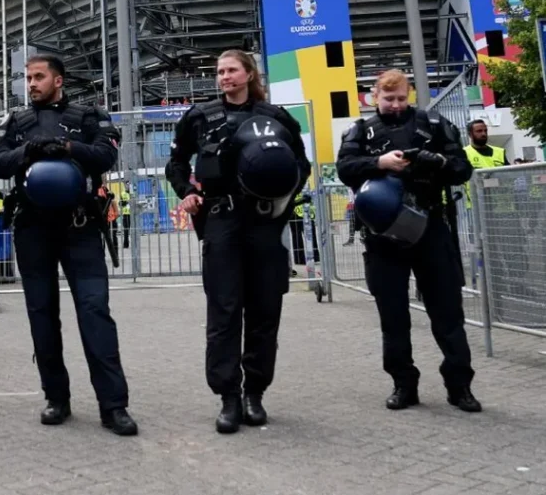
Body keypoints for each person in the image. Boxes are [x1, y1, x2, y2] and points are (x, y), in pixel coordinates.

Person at [0, 54, 138, 437]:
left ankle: (113, 405)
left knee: (94, 311)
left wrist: (70, 148)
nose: (31, 84)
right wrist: (29, 151)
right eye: (28, 78)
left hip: (80, 226)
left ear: (58, 80)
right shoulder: (15, 121)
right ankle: (56, 397)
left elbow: (107, 153)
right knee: (42, 314)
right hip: (32, 229)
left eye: (38, 77)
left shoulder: (89, 115)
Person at [166, 49, 310, 434]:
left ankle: (255, 393)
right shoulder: (200, 117)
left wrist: (284, 201)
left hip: (265, 224)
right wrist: (186, 192)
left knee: (265, 311)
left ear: (249, 74)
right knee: (224, 311)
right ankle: (228, 396)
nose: (224, 77)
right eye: (219, 71)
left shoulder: (276, 118)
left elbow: (301, 165)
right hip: (221, 222)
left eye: (231, 70)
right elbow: (176, 163)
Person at [336, 68, 481, 413]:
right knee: (393, 315)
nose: (396, 105)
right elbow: (344, 168)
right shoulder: (361, 130)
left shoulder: (433, 125)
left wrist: (438, 162)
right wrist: (378, 162)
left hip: (430, 226)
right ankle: (404, 384)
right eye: (389, 99)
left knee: (447, 312)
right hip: (383, 235)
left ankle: (459, 386)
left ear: (411, 94)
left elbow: (463, 169)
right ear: (375, 97)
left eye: (402, 98)